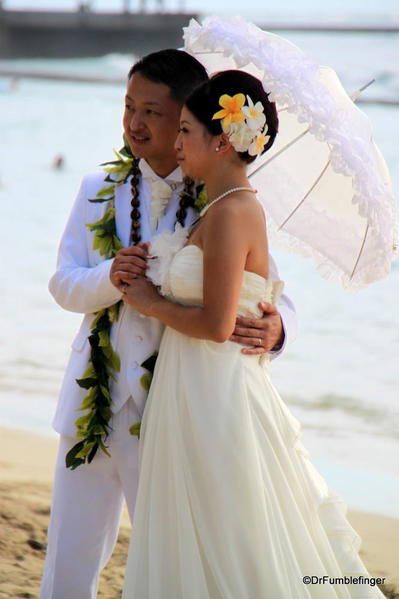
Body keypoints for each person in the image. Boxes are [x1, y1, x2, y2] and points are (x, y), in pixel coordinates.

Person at [40, 51, 297, 599]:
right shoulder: (95, 189)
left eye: (153, 112)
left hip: (170, 416)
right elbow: (63, 283)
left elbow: (269, 290)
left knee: (169, 564)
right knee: (67, 562)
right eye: (128, 106)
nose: (134, 123)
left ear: (188, 115)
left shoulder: (219, 195)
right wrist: (110, 276)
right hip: (92, 406)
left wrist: (277, 331)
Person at [120, 70, 385, 598]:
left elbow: (217, 326)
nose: (177, 142)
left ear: (222, 141)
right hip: (193, 388)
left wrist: (151, 301)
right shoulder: (217, 208)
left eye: (187, 132)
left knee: (230, 533)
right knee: (202, 530)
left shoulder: (234, 213)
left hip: (217, 395)